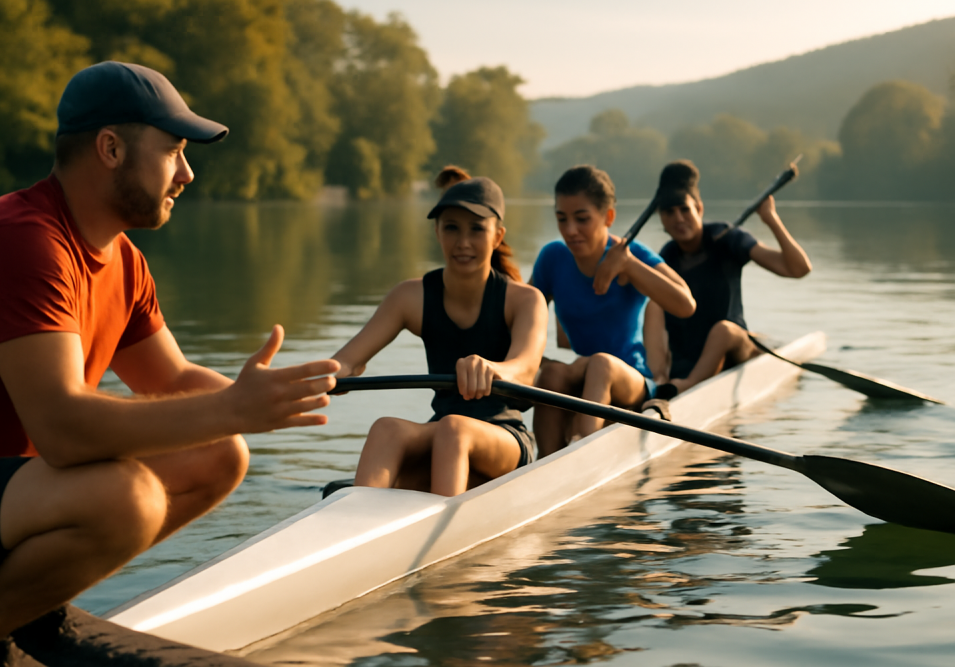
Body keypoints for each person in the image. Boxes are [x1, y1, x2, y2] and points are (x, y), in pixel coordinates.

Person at [0, 61, 340, 666]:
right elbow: (64, 430)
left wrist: (262, 398)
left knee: (220, 451)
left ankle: (30, 605)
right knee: (128, 498)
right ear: (111, 148)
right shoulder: (21, 238)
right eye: (174, 150)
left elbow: (172, 382)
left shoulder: (122, 261)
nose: (188, 172)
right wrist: (231, 407)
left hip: (16, 500)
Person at [332, 167, 547, 497]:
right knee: (386, 428)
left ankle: (436, 540)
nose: (463, 243)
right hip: (444, 431)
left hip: (504, 438)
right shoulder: (410, 296)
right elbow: (348, 360)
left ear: (498, 236)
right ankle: (353, 528)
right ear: (437, 232)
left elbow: (527, 368)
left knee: (453, 429)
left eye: (477, 229)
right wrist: (329, 375)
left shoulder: (524, 300)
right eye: (451, 228)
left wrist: (494, 369)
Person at [530, 165, 695, 457]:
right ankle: (544, 463)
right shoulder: (552, 258)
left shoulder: (632, 253)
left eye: (582, 219)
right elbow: (521, 318)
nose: (570, 230)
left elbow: (685, 304)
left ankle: (584, 452)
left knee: (601, 365)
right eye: (561, 219)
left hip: (633, 379)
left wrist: (629, 265)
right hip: (582, 373)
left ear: (608, 217)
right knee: (553, 373)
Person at [644, 160, 812, 397]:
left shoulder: (726, 238)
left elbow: (798, 269)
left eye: (685, 209)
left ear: (699, 209)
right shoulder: (666, 257)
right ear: (661, 218)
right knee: (653, 305)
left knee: (722, 330)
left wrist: (770, 218)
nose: (678, 218)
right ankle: (659, 380)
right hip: (688, 361)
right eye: (669, 212)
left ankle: (687, 385)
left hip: (734, 348)